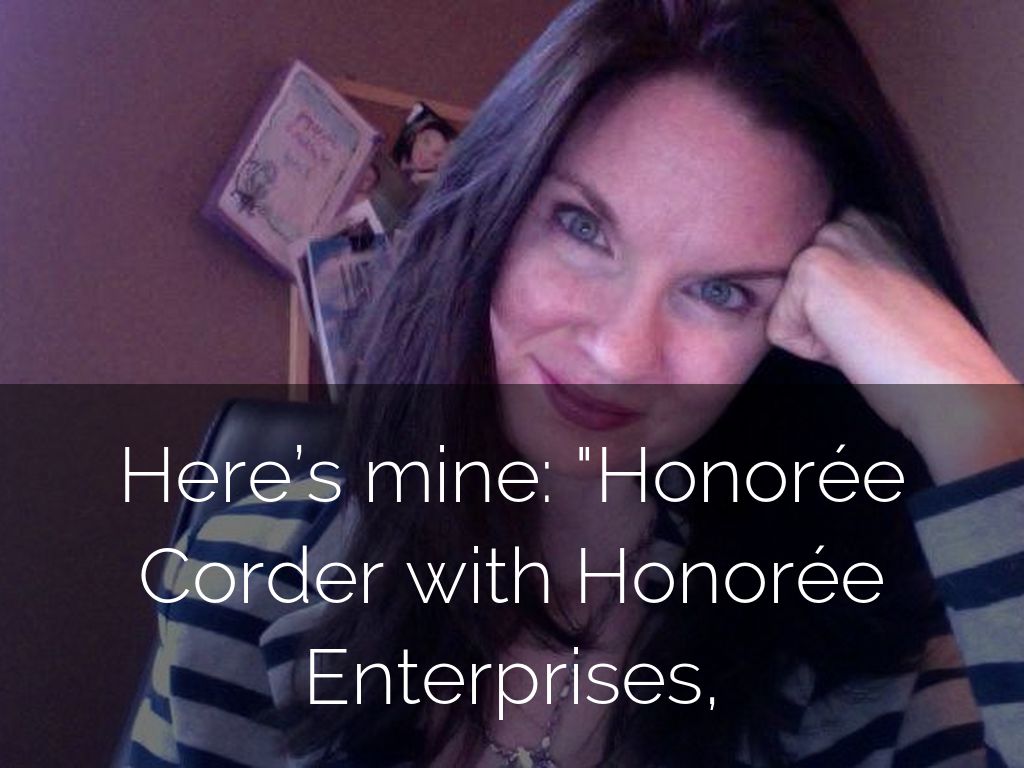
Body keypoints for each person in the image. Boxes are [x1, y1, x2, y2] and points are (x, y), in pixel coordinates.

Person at [127, 1, 1024, 766]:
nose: (622, 354)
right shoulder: (243, 576)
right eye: (582, 227)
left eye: (721, 292)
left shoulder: (872, 663)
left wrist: (978, 419)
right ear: (492, 213)